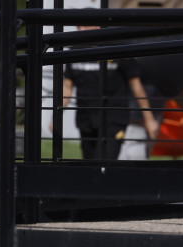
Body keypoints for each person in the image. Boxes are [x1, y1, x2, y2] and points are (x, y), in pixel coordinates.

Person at [62, 27, 159, 160]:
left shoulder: (118, 48)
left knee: (104, 164)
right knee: (89, 165)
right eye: (80, 26)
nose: (82, 29)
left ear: (98, 27)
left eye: (86, 25)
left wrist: (149, 119)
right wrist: (56, 115)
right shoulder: (74, 51)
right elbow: (67, 87)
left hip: (114, 119)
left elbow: (136, 85)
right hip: (86, 121)